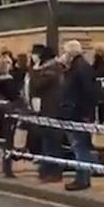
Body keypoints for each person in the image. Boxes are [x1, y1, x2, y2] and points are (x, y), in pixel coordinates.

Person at [58, 41, 100, 191]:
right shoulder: (80, 67)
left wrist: (84, 113)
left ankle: (82, 178)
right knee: (81, 146)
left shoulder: (79, 68)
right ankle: (84, 176)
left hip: (76, 113)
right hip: (77, 112)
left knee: (79, 146)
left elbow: (88, 92)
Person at [28, 46, 65, 182]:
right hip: (46, 109)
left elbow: (37, 85)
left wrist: (34, 70)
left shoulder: (51, 70)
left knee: (52, 142)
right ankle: (46, 168)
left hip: (51, 110)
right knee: (47, 141)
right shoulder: (50, 69)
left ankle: (53, 171)